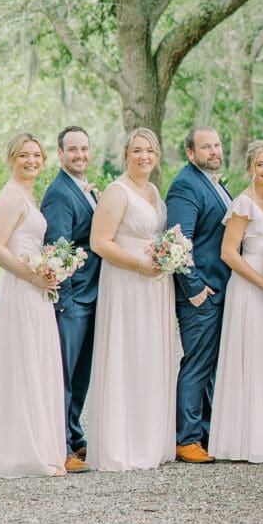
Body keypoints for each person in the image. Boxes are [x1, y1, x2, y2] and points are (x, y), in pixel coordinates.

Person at [0, 132, 66, 478]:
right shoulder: (11, 196)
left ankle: (40, 447)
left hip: (35, 288)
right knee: (23, 362)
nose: (31, 161)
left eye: (36, 155)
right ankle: (24, 453)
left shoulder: (28, 194)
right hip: (19, 288)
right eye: (23, 155)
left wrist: (48, 267)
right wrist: (30, 275)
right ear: (12, 159)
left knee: (35, 362)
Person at [88, 128, 176, 471]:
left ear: (157, 156)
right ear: (126, 154)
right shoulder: (116, 191)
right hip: (127, 282)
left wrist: (166, 256)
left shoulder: (152, 190)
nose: (144, 157)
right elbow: (100, 242)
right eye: (137, 151)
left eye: (150, 151)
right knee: (128, 355)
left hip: (155, 283)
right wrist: (141, 265)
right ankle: (122, 444)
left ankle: (149, 440)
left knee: (149, 356)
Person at [208, 141, 263, 462]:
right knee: (250, 357)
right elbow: (228, 252)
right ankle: (243, 441)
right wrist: (262, 281)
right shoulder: (243, 203)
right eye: (261, 164)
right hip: (248, 288)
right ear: (249, 169)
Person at [166, 126, 232, 463]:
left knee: (210, 366)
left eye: (217, 145)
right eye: (206, 147)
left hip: (221, 289)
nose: (214, 151)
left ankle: (205, 432)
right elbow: (177, 240)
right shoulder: (186, 186)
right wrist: (193, 288)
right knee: (196, 364)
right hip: (201, 293)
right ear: (191, 153)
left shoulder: (217, 184)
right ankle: (187, 438)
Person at [40, 125, 101, 474]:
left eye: (84, 149)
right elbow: (58, 250)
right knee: (63, 375)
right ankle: (59, 446)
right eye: (72, 150)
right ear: (60, 154)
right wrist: (64, 298)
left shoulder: (85, 189)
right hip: (72, 298)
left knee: (80, 375)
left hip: (92, 295)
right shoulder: (60, 194)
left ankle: (74, 435)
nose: (79, 155)